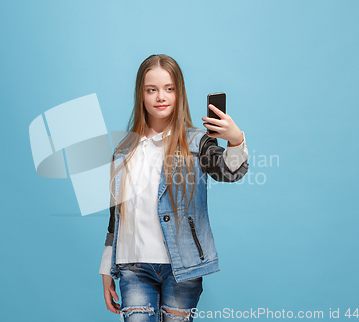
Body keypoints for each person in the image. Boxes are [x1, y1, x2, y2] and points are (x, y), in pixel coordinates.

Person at [99, 54, 249, 322]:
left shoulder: (197, 143)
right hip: (133, 265)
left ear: (179, 93)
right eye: (151, 90)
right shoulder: (124, 151)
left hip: (183, 266)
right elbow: (115, 216)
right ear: (141, 94)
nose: (161, 96)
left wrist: (235, 140)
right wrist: (106, 268)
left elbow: (229, 172)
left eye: (169, 88)